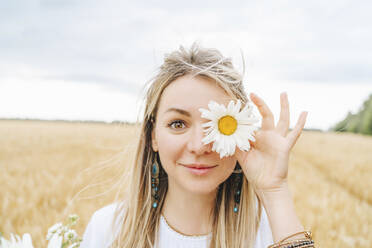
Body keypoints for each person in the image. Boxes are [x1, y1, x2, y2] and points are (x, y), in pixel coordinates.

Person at [80, 43, 313, 248]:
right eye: (178, 123)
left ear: (241, 133)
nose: (199, 146)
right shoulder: (108, 230)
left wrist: (274, 191)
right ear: (153, 136)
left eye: (218, 125)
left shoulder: (274, 231)